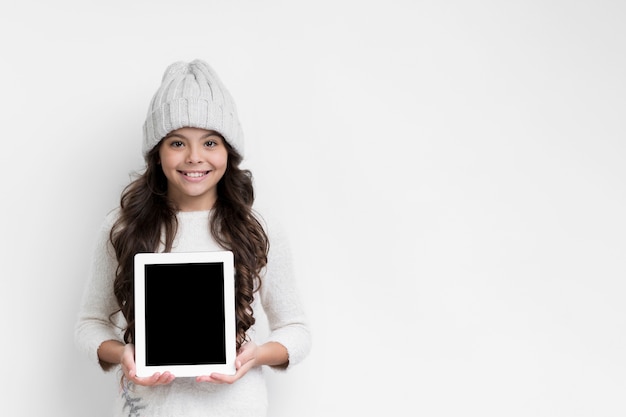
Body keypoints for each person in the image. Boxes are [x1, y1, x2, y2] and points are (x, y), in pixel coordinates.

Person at [75, 59, 311, 417]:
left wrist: (256, 355)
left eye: (210, 142)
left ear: (228, 151)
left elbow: (296, 329)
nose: (195, 157)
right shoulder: (123, 227)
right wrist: (122, 353)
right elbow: (89, 323)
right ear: (158, 152)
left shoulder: (257, 229)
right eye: (177, 142)